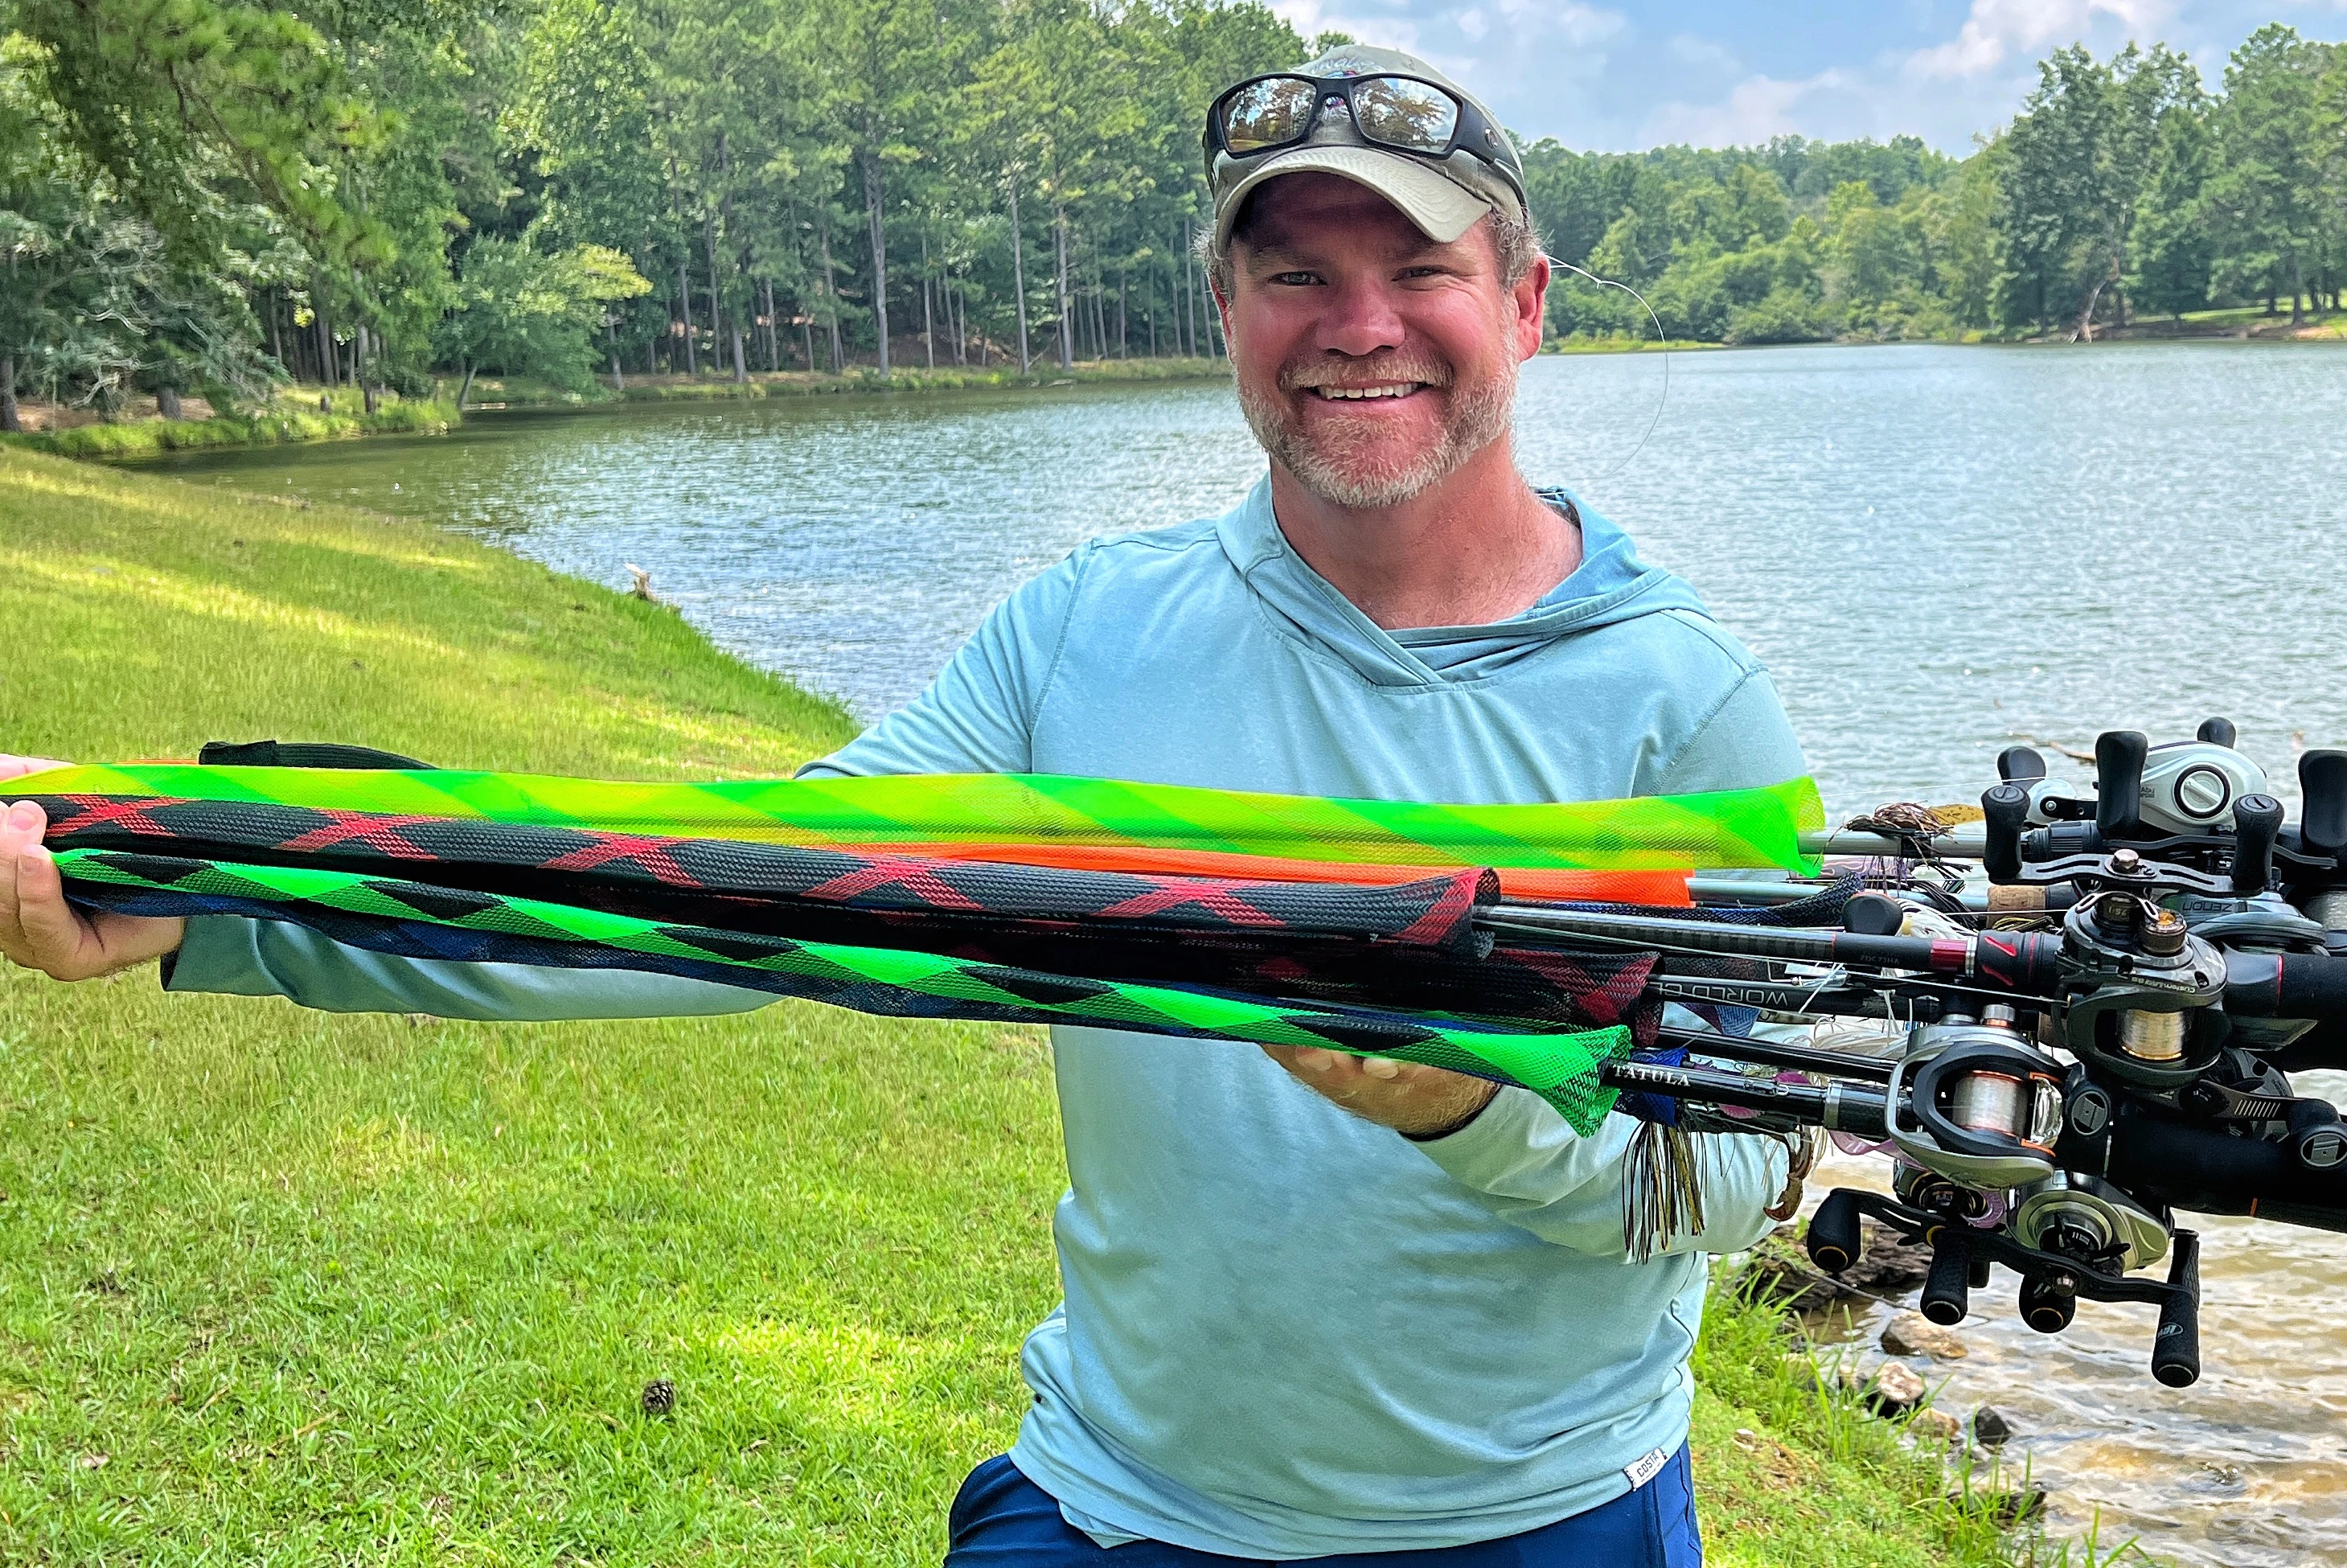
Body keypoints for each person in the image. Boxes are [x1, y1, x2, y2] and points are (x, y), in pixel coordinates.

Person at [0, 43, 1808, 1565]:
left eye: (1415, 270)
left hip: (1540, 1519)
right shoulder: (1085, 635)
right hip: (1127, 1502)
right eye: (1292, 275)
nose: (1355, 328)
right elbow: (723, 897)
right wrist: (196, 877)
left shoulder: (1677, 700)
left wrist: (1460, 1110)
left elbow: (1741, 1171)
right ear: (1224, 307)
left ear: (1523, 302)